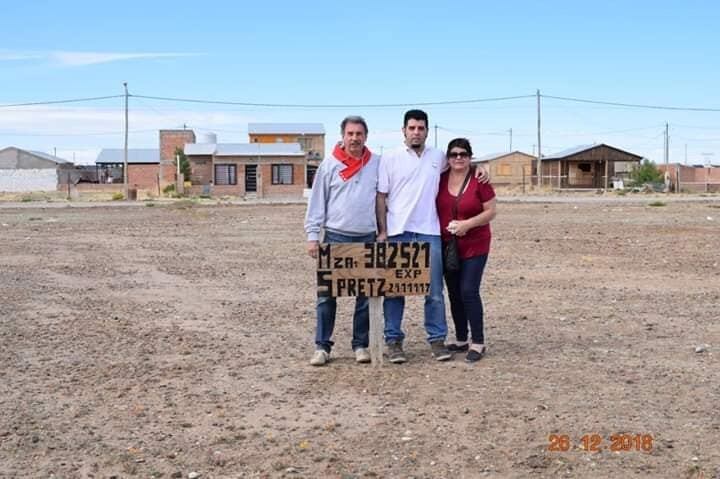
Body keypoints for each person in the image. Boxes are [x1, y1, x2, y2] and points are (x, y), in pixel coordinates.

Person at [376, 110, 488, 363]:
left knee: (435, 291)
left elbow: (462, 165)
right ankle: (393, 341)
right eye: (412, 127)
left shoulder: (438, 156)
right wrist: (383, 231)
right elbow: (381, 196)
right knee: (394, 290)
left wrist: (480, 168)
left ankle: (437, 340)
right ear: (403, 130)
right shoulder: (389, 158)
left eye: (421, 128)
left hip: (430, 232)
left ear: (427, 130)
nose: (416, 132)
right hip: (398, 233)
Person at [305, 116, 379, 366]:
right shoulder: (329, 165)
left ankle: (360, 345)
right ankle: (322, 346)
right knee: (327, 295)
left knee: (365, 295)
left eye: (359, 134)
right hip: (335, 235)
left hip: (367, 236)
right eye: (350, 133)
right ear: (343, 135)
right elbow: (317, 202)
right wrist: (313, 236)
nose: (355, 138)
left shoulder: (376, 164)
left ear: (366, 136)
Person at [436, 138, 496, 362]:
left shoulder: (479, 180)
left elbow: (491, 211)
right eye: (453, 154)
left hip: (475, 243)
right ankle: (461, 338)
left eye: (463, 154)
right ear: (448, 158)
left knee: (468, 291)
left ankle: (478, 342)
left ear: (470, 156)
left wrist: (467, 225)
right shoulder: (440, 179)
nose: (458, 158)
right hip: (448, 245)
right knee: (453, 292)